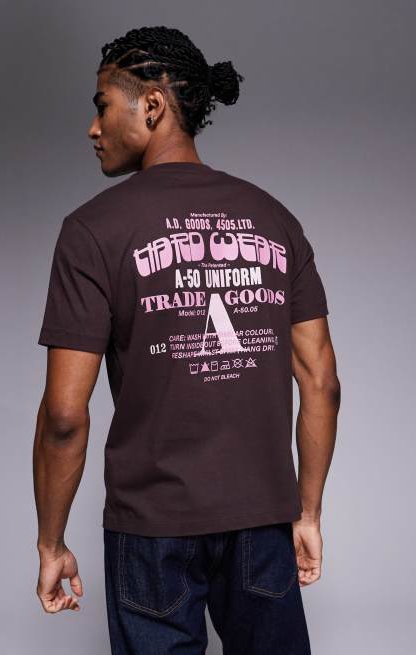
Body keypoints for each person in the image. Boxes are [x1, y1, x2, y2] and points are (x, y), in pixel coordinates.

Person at [33, 25, 340, 654]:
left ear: (151, 105)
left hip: (152, 529)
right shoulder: (274, 218)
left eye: (101, 107)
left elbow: (64, 416)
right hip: (262, 519)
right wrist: (306, 512)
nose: (93, 128)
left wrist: (51, 541)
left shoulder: (92, 230)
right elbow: (321, 382)